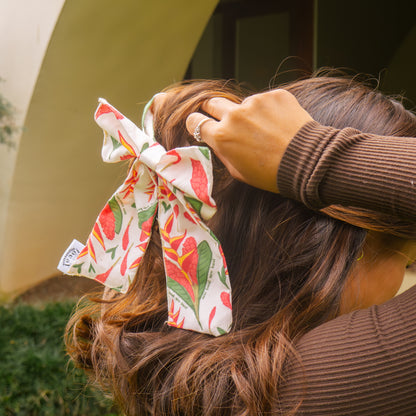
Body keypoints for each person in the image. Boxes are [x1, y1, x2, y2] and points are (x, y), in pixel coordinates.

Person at [65, 76, 416, 415]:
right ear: (335, 253)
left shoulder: (209, 378)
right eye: (407, 260)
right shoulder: (309, 386)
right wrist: (312, 155)